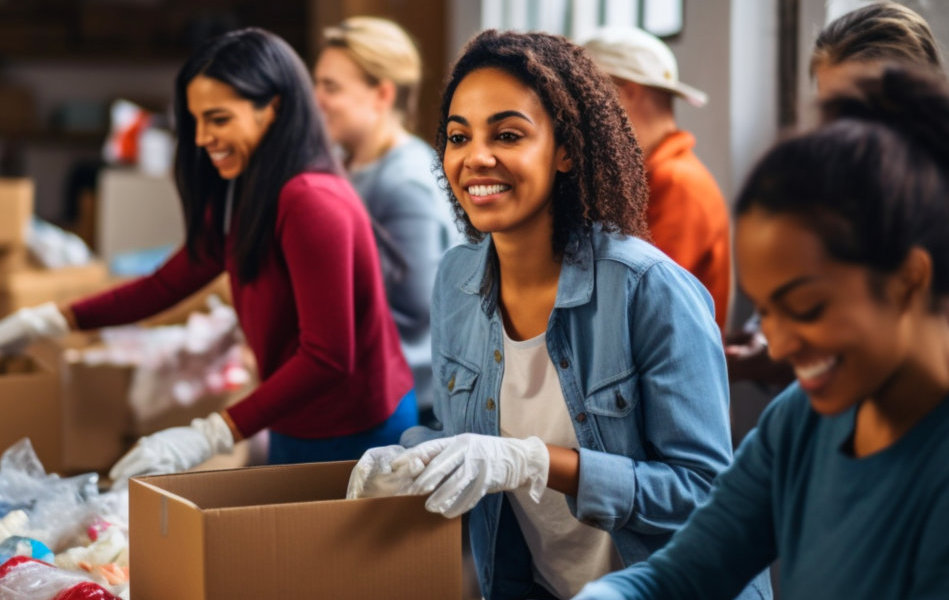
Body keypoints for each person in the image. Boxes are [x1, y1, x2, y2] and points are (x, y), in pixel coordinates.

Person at [347, 30, 771, 600]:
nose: (476, 157)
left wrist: (536, 462)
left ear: (566, 149)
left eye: (508, 134)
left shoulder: (648, 288)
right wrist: (413, 452)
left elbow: (703, 495)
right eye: (457, 136)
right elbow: (476, 440)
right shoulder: (456, 280)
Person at [574, 66, 949, 600]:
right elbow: (683, 573)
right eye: (767, 312)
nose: (782, 343)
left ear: (910, 280)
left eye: (807, 308)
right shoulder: (800, 421)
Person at [0, 28, 415, 479]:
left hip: (355, 428)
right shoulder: (249, 187)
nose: (201, 138)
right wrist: (49, 321)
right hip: (297, 419)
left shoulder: (312, 201)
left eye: (218, 119)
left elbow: (329, 357)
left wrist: (213, 433)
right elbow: (170, 281)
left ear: (272, 108)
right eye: (196, 121)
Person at [725, 1, 943, 384]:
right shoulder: (829, 191)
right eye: (832, 112)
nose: (845, 134)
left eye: (862, 112)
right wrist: (768, 330)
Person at [313, 16, 458, 427]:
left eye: (331, 87)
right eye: (317, 84)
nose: (316, 99)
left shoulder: (404, 182)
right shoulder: (351, 165)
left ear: (382, 94)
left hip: (407, 404)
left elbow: (415, 309)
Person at [582, 26, 731, 332]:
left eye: (580, 96)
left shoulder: (677, 183)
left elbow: (635, 301)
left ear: (624, 94)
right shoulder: (644, 178)